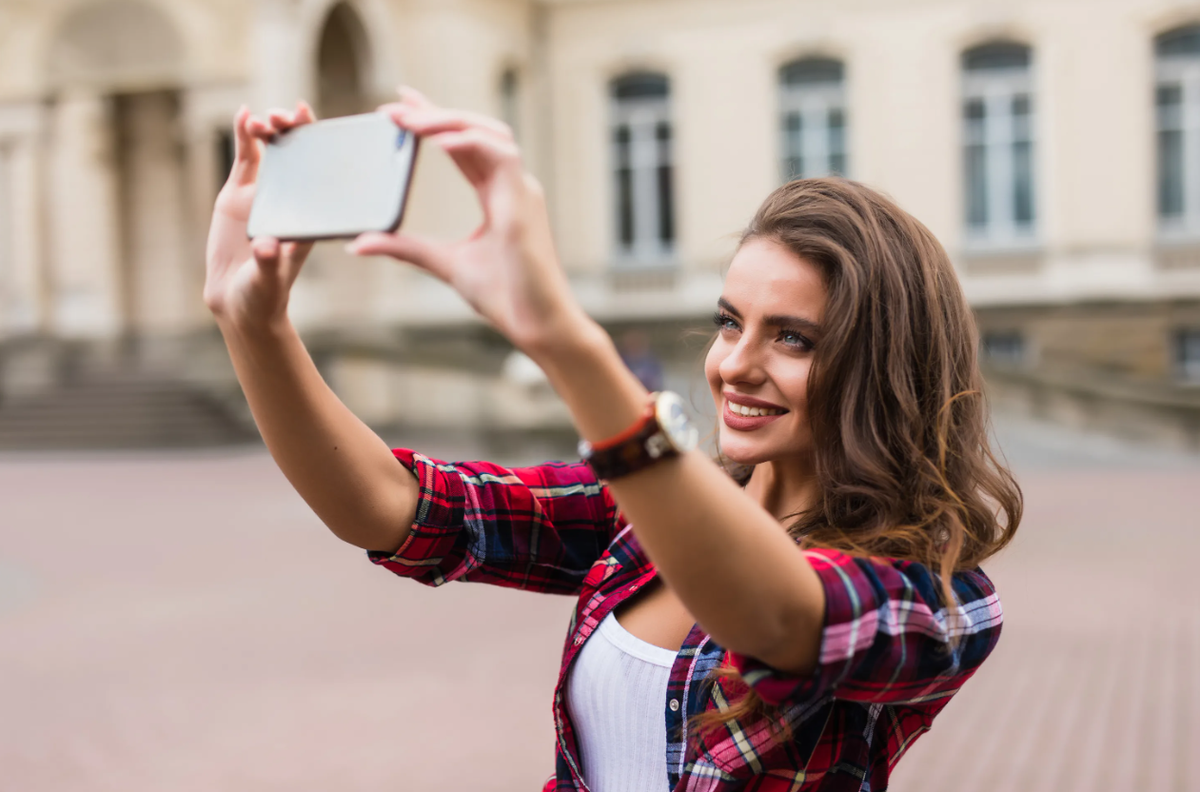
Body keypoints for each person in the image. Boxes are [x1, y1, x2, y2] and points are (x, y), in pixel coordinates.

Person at [203, 89, 1021, 791]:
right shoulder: (643, 519)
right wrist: (254, 326)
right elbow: (395, 508)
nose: (735, 365)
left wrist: (560, 338)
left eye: (793, 339)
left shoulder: (940, 602)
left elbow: (774, 613)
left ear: (878, 366)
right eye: (730, 323)